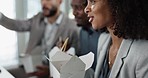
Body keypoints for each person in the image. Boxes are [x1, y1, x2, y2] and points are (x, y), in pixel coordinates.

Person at [0, 0, 79, 78]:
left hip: (54, 74)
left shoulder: (71, 26)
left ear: (60, 1)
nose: (44, 3)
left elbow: (75, 61)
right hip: (30, 69)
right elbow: (17, 25)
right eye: (42, 0)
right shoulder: (38, 19)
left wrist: (50, 71)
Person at [85, 0, 148, 78]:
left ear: (115, 3)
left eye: (93, 2)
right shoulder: (103, 40)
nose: (86, 9)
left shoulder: (143, 53)